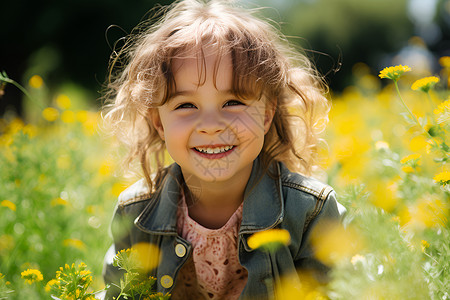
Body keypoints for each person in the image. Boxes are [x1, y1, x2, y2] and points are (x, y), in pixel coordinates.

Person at [101, 0, 344, 299]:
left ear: (267, 114)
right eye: (186, 105)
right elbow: (118, 293)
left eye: (233, 102)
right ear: (159, 124)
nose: (211, 125)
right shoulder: (135, 211)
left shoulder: (309, 212)